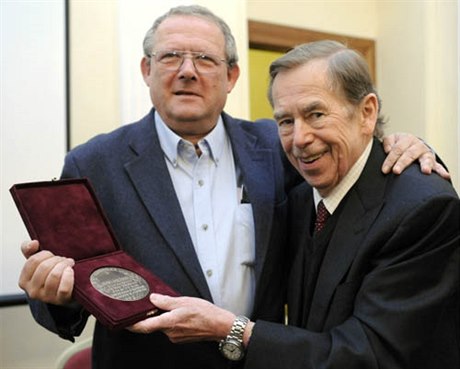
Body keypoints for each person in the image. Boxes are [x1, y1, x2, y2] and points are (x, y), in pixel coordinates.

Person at [18, 5, 449, 369]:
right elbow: (64, 301)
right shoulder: (92, 164)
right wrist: (55, 293)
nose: (188, 72)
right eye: (170, 57)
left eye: (205, 60)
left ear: (232, 76)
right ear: (147, 70)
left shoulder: (278, 147)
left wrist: (408, 145)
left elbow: (359, 168)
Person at [129, 40, 459, 369]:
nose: (299, 139)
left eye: (315, 114)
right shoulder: (301, 198)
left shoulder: (423, 210)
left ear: (367, 113)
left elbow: (370, 355)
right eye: (285, 121)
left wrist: (235, 330)